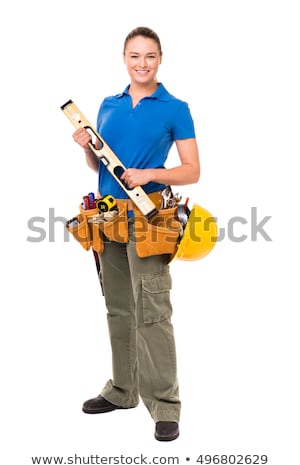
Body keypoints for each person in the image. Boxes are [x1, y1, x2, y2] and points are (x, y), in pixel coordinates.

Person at [72, 26, 200, 442]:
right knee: (120, 308)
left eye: (149, 56)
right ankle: (123, 390)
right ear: (124, 59)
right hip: (107, 218)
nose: (142, 63)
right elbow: (103, 168)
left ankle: (165, 405)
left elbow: (192, 170)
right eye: (134, 56)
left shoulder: (175, 108)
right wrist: (86, 148)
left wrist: (151, 174)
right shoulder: (108, 105)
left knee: (152, 311)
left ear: (160, 59)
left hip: (149, 220)